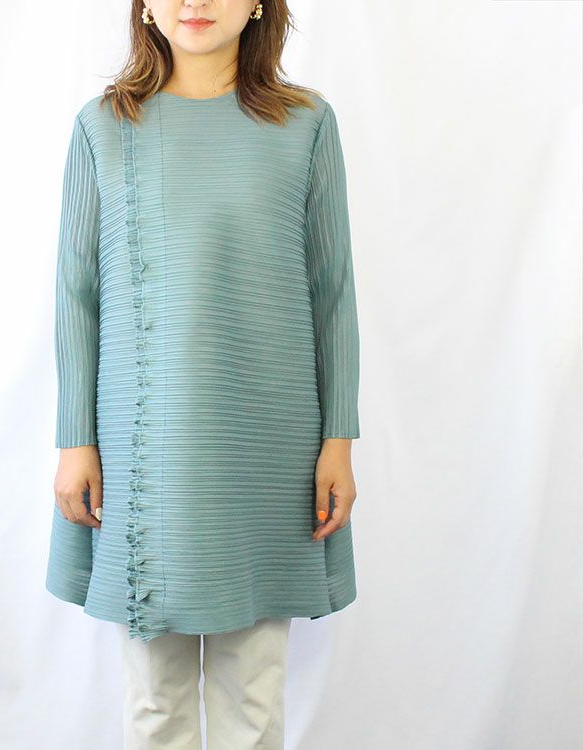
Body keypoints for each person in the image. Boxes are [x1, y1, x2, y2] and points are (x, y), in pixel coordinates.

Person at [45, 1, 361, 747]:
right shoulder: (103, 127)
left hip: (268, 449)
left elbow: (333, 291)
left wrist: (339, 440)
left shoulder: (307, 125)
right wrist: (75, 441)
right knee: (156, 703)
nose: (195, 1)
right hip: (142, 454)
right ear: (145, 7)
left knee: (254, 698)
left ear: (258, 4)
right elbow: (76, 293)